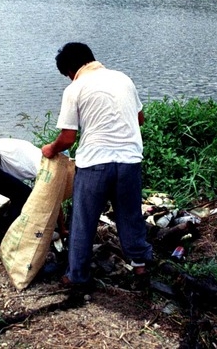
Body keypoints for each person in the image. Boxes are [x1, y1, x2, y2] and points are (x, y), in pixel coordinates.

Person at [42, 42, 153, 288]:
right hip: (129, 161)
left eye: (67, 75)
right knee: (130, 216)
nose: (69, 79)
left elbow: (68, 138)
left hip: (94, 163)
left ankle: (77, 276)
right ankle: (140, 267)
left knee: (84, 220)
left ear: (72, 70)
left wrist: (50, 149)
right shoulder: (123, 79)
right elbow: (139, 119)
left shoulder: (75, 88)